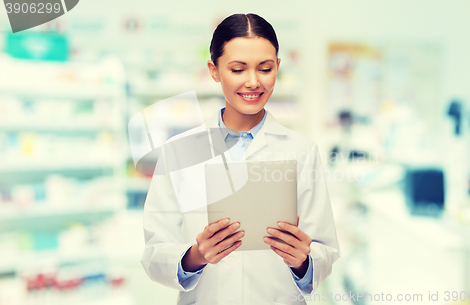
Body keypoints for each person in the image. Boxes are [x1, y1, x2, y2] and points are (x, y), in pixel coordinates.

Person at [141, 13, 340, 305]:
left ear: (278, 68)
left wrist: (302, 260)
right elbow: (154, 253)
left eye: (265, 68)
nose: (253, 82)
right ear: (214, 70)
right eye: (237, 69)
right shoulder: (178, 152)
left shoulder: (302, 151)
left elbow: (325, 250)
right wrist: (195, 256)